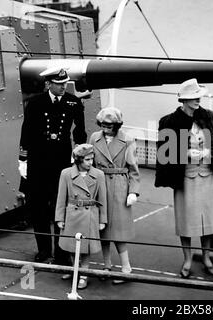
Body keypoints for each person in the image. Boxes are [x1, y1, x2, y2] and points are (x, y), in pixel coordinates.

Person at [155, 78, 213, 278]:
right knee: (186, 222)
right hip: (185, 177)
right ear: (183, 100)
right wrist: (186, 155)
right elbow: (165, 154)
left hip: (208, 176)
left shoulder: (209, 117)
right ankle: (187, 259)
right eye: (194, 97)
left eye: (198, 96)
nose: (197, 100)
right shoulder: (169, 122)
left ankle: (206, 257)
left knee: (208, 221)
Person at [18, 66, 87, 263]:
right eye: (58, 85)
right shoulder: (36, 103)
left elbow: (79, 131)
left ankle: (61, 252)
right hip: (38, 162)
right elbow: (27, 132)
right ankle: (44, 251)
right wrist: (23, 159)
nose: (63, 88)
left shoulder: (73, 102)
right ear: (49, 84)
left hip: (61, 162)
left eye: (64, 84)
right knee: (38, 208)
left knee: (61, 206)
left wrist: (79, 154)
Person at [89, 106, 140, 284]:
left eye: (109, 125)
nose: (105, 128)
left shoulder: (127, 140)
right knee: (102, 228)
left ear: (117, 125)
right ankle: (107, 265)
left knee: (118, 230)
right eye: (103, 124)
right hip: (99, 185)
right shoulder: (95, 138)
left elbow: (133, 170)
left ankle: (126, 268)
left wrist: (133, 191)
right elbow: (91, 164)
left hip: (119, 186)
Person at [55, 144, 107, 290]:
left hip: (89, 214)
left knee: (86, 248)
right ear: (78, 160)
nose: (90, 162)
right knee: (71, 247)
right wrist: (60, 218)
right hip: (72, 214)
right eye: (87, 160)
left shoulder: (99, 175)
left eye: (92, 159)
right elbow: (61, 198)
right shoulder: (66, 173)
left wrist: (103, 219)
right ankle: (75, 270)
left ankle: (83, 274)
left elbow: (103, 200)